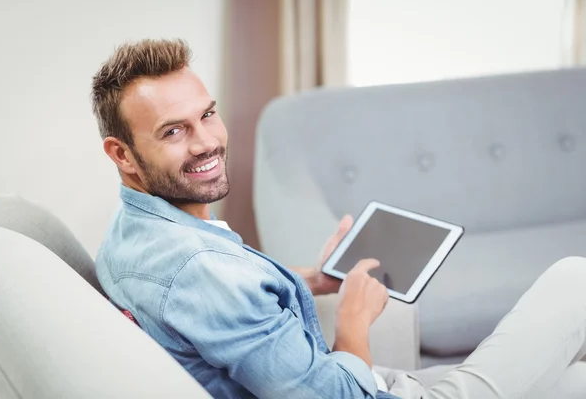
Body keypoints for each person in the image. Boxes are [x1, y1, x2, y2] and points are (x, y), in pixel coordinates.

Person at [92, 38, 586, 399]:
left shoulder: (133, 233)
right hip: (362, 390)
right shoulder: (199, 270)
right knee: (575, 279)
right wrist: (353, 321)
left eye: (207, 114)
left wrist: (313, 280)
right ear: (123, 154)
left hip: (354, 379)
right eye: (173, 131)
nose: (207, 142)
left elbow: (228, 312)